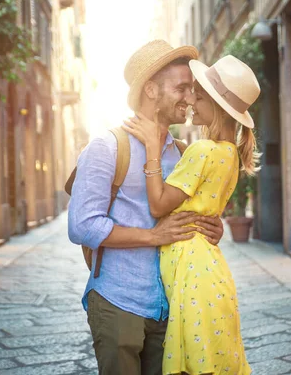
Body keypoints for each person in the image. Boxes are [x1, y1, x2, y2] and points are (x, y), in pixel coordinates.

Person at [67, 40, 225, 375]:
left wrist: (212, 227)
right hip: (118, 300)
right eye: (181, 88)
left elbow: (186, 216)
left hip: (172, 306)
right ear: (151, 90)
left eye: (192, 89)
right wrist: (154, 236)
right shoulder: (106, 147)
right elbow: (82, 226)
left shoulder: (183, 152)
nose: (189, 98)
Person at [123, 55, 260, 375]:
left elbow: (158, 206)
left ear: (215, 103)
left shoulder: (203, 150)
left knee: (196, 366)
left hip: (193, 271)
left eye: (198, 94)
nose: (192, 101)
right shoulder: (229, 153)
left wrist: (153, 149)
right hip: (206, 268)